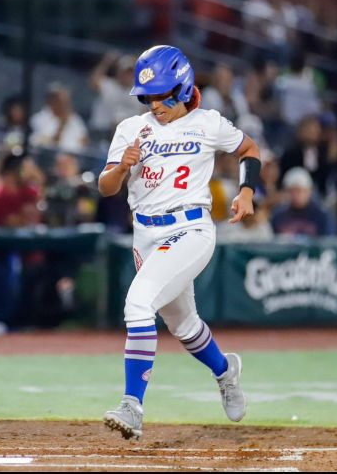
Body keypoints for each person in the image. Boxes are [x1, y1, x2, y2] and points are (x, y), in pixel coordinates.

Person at [98, 45, 257, 439]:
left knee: (138, 303)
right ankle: (226, 371)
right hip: (145, 234)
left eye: (162, 95)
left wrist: (247, 191)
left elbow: (249, 149)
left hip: (191, 229)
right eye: (147, 97)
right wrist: (121, 168)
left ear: (184, 88)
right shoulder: (130, 128)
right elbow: (106, 187)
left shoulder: (208, 123)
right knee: (183, 325)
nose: (154, 104)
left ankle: (132, 406)